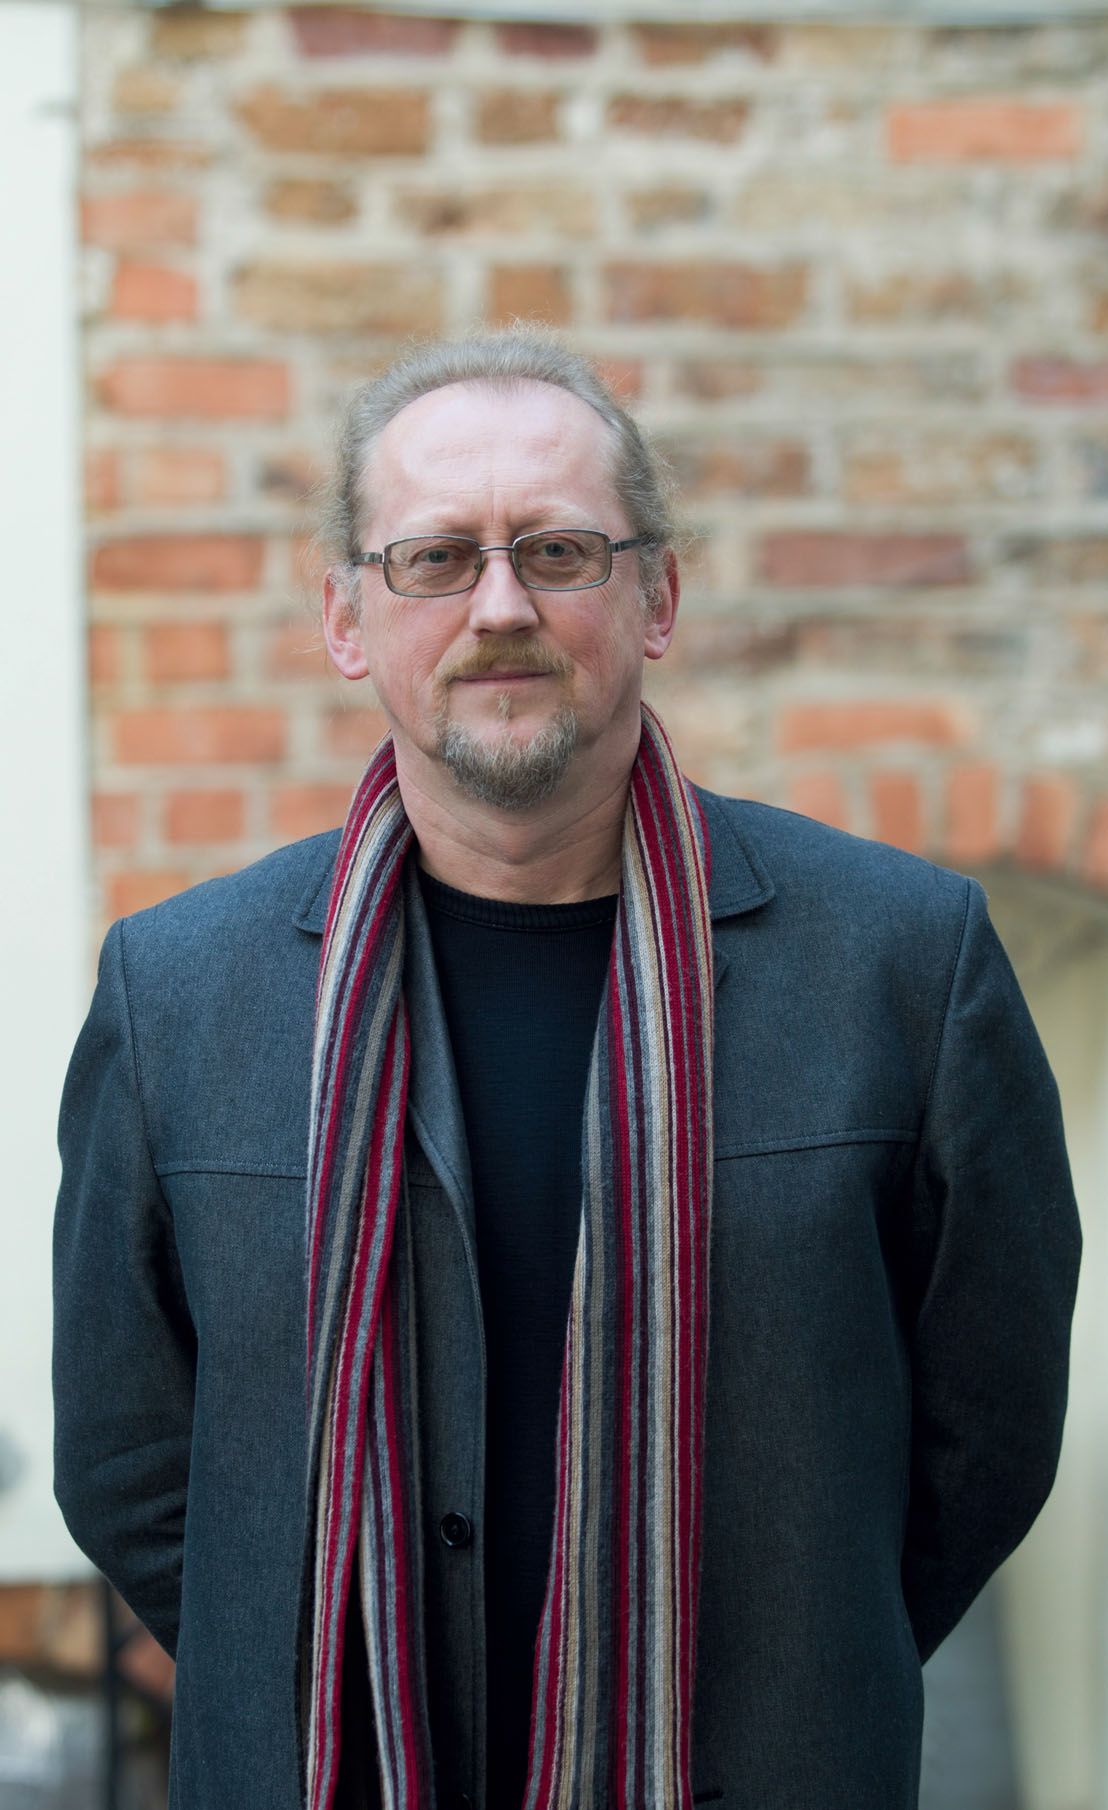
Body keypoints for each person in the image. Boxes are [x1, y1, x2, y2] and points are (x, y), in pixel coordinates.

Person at [53, 329, 1081, 1810]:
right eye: (434, 559)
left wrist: (797, 1671)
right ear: (346, 617)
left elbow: (987, 1434)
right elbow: (126, 1459)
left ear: (656, 598)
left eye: (559, 550)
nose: (500, 607)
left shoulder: (904, 967)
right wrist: (312, 1674)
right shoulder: (178, 996)